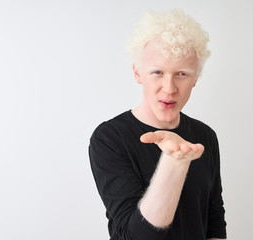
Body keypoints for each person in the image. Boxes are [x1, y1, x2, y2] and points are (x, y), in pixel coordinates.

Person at [89, 9, 227, 240]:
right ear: (137, 72)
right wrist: (174, 162)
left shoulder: (205, 136)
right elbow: (135, 237)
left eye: (181, 74)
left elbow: (214, 219)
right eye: (158, 72)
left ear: (195, 79)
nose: (169, 88)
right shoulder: (110, 138)